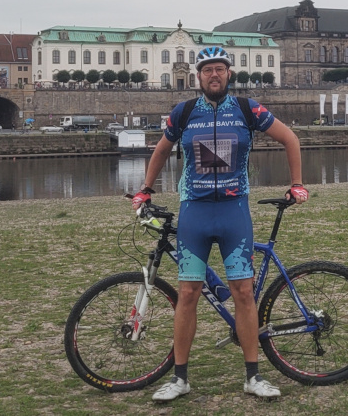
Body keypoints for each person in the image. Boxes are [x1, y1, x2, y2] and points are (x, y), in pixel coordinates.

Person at [130, 46, 308, 402]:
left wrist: (297, 183)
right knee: (187, 294)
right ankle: (180, 379)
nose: (214, 75)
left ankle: (253, 376)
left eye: (220, 70)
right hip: (194, 211)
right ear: (198, 77)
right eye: (208, 70)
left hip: (233, 212)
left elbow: (290, 138)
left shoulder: (247, 109)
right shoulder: (184, 112)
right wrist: (146, 190)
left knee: (243, 293)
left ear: (229, 75)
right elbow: (162, 150)